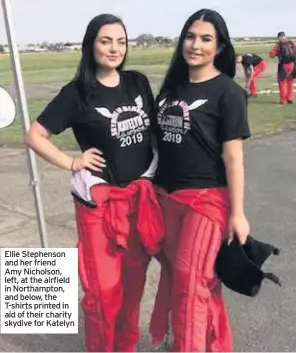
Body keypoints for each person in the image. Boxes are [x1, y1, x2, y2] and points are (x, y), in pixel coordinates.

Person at [24, 14, 164, 352]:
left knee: (132, 286)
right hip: (99, 206)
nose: (114, 49)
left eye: (121, 41)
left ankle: (126, 345)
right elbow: (35, 135)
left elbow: (154, 135)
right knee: (103, 291)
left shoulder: (137, 82)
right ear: (91, 45)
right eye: (106, 41)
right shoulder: (77, 93)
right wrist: (72, 161)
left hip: (139, 201)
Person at [149, 8, 251, 352]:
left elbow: (233, 157)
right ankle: (214, 345)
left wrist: (237, 213)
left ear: (220, 47)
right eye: (190, 37)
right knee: (193, 282)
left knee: (190, 285)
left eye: (206, 38)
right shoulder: (171, 89)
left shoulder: (228, 93)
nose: (196, 44)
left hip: (205, 201)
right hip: (166, 199)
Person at [270, 31, 296, 104]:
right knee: (290, 82)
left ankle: (283, 100)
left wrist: (277, 54)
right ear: (285, 36)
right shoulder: (291, 43)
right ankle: (290, 98)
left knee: (282, 82)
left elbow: (271, 55)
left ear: (279, 37)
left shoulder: (278, 45)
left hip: (283, 65)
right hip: (292, 64)